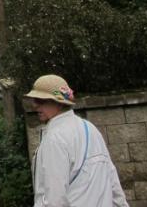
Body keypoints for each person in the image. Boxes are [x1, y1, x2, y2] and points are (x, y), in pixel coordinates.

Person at [24, 74, 128, 207]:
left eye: (40, 100)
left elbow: (54, 200)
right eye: (34, 100)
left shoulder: (54, 138)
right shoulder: (89, 128)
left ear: (59, 103)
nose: (34, 105)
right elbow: (112, 180)